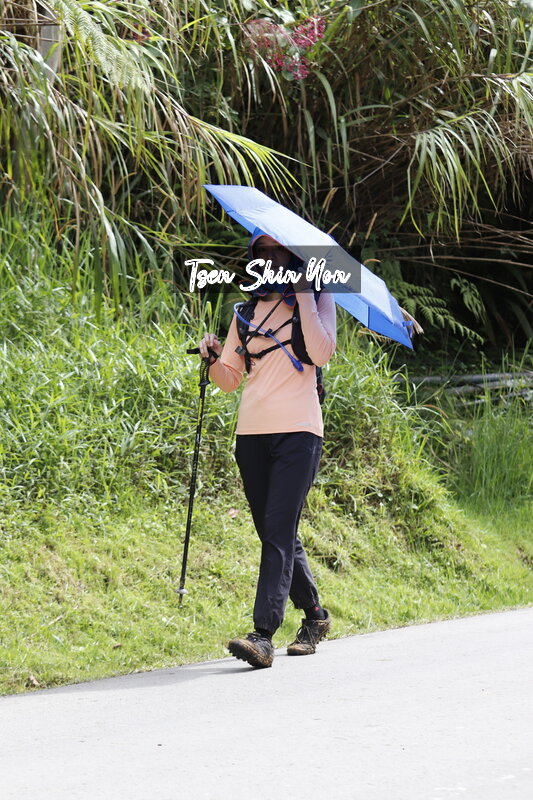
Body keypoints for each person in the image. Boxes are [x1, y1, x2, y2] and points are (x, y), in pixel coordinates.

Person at [198, 234, 336, 668]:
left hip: (300, 433)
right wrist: (213, 357)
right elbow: (229, 380)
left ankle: (263, 634)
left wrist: (303, 292)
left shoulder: (318, 298)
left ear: (294, 257)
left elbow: (321, 352)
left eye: (278, 251)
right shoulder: (246, 312)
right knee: (276, 532)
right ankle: (315, 616)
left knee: (277, 530)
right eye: (261, 252)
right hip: (252, 435)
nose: (269, 258)